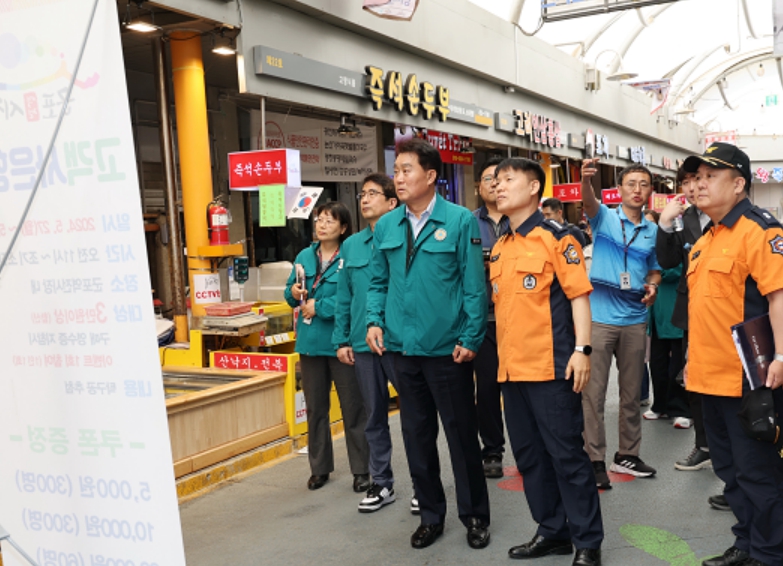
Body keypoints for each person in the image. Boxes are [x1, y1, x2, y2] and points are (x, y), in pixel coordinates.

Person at [366, 139, 490, 550]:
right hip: (402, 350)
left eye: (406, 170)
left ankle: (475, 516)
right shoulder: (386, 225)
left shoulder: (459, 222)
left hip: (447, 351)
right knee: (417, 438)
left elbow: (474, 286)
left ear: (431, 175)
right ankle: (432, 517)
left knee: (460, 436)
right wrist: (373, 320)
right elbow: (378, 282)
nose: (398, 178)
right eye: (396, 171)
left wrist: (471, 337)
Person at [492, 158, 603, 566]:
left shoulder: (557, 238)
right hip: (511, 371)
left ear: (534, 186)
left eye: (508, 179)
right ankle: (551, 530)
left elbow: (578, 296)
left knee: (567, 457)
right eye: (495, 181)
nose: (498, 186)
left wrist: (583, 350)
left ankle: (588, 541)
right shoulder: (501, 246)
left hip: (552, 368)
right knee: (530, 458)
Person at [682, 143, 783, 566]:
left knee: (758, 473)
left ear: (739, 184)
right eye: (696, 177)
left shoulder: (761, 231)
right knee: (729, 472)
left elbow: (778, 297)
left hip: (748, 378)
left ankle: (769, 552)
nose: (699, 184)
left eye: (710, 176)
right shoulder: (705, 240)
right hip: (706, 377)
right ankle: (746, 543)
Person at [579, 159, 662, 490]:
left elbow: (654, 268)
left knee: (631, 394)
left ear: (650, 191)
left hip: (635, 321)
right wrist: (587, 180)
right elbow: (588, 202)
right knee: (593, 394)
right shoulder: (605, 219)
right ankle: (594, 459)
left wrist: (653, 286)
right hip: (599, 319)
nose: (637, 190)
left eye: (643, 184)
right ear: (620, 190)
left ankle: (627, 454)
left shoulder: (652, 231)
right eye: (631, 184)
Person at [284, 202, 370, 493]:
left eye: (329, 221)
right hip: (310, 346)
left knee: (353, 409)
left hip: (341, 342)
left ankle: (362, 470)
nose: (321, 225)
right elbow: (289, 292)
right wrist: (293, 292)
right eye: (319, 220)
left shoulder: (351, 254)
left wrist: (319, 306)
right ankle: (319, 469)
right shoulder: (304, 255)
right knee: (316, 410)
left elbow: (356, 297)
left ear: (343, 228)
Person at [332, 174, 405, 513]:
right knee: (374, 415)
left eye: (373, 194)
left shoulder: (406, 235)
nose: (364, 199)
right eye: (362, 194)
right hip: (363, 344)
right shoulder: (351, 246)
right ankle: (382, 483)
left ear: (392, 203)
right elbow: (344, 295)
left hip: (402, 342)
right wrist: (342, 339)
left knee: (415, 416)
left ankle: (424, 484)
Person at [656, 169, 715, 474]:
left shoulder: (729, 217)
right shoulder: (682, 219)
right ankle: (705, 446)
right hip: (692, 313)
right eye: (687, 182)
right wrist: (665, 224)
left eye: (700, 179)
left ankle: (733, 457)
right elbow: (666, 261)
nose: (694, 188)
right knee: (695, 382)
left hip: (728, 314)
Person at [472, 155, 510, 479]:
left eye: (500, 179)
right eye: (489, 179)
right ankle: (493, 451)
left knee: (521, 389)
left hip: (519, 320)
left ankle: (530, 448)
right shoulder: (467, 223)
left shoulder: (522, 222)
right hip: (482, 321)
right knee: (486, 390)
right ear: (477, 188)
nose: (495, 184)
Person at [642, 209, 688, 427]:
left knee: (677, 366)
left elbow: (674, 270)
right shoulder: (647, 248)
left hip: (676, 312)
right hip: (657, 315)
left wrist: (652, 273)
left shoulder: (677, 240)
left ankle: (681, 409)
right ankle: (660, 405)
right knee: (657, 365)